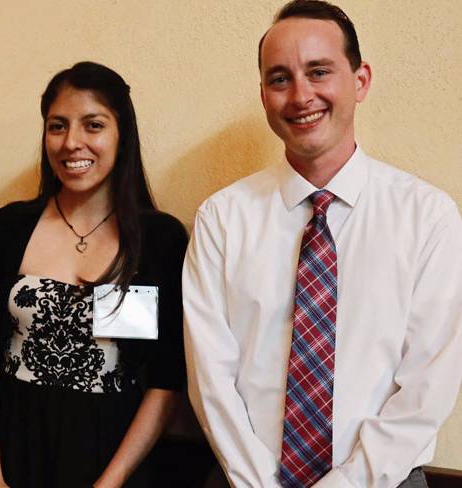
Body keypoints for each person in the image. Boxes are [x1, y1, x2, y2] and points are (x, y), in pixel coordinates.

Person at [183, 1, 462, 487]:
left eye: (319, 71)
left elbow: (427, 385)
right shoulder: (221, 219)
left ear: (360, 81)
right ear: (264, 94)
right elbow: (211, 381)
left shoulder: (428, 217)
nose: (300, 95)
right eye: (279, 78)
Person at [0, 61, 187, 488]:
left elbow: (166, 380)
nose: (72, 143)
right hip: (12, 446)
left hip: (111, 456)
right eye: (57, 126)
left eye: (93, 125)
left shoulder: (159, 238)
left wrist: (111, 481)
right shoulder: (10, 226)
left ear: (122, 134)